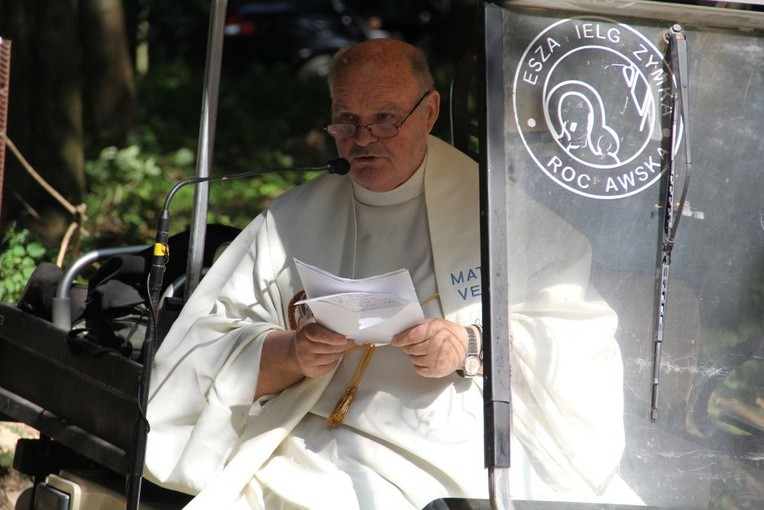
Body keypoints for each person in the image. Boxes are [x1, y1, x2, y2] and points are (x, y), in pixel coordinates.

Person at [144, 39, 642, 509]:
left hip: (452, 449)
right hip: (314, 440)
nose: (362, 140)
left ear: (428, 112)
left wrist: (468, 346)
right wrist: (289, 352)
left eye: (384, 119)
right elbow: (203, 345)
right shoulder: (291, 220)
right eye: (346, 121)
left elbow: (575, 338)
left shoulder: (502, 214)